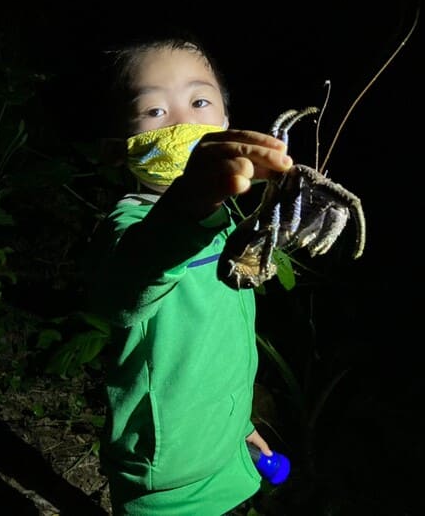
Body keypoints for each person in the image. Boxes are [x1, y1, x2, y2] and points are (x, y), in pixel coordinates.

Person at [83, 33, 294, 515]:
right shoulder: (131, 226)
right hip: (165, 478)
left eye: (199, 101)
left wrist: (241, 426)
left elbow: (217, 344)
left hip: (223, 453)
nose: (182, 121)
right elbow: (125, 291)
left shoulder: (226, 225)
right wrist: (187, 202)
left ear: (226, 125)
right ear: (119, 148)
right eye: (154, 111)